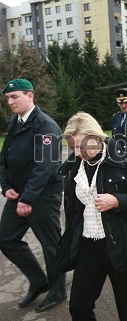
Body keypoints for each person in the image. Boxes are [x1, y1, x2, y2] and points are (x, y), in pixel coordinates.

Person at [58, 112, 127, 320]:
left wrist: (118, 201)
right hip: (88, 243)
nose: (77, 153)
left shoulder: (126, 162)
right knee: (78, 306)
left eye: (81, 146)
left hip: (119, 243)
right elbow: (73, 209)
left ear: (96, 137)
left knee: (126, 306)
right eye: (73, 147)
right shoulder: (73, 167)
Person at [0, 79, 66, 312]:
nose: (10, 102)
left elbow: (45, 165)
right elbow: (4, 158)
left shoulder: (45, 125)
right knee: (5, 239)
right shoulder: (14, 123)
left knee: (50, 245)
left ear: (30, 96)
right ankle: (39, 281)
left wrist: (27, 199)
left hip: (42, 196)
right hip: (17, 194)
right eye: (7, 98)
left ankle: (57, 291)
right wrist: (5, 185)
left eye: (14, 97)